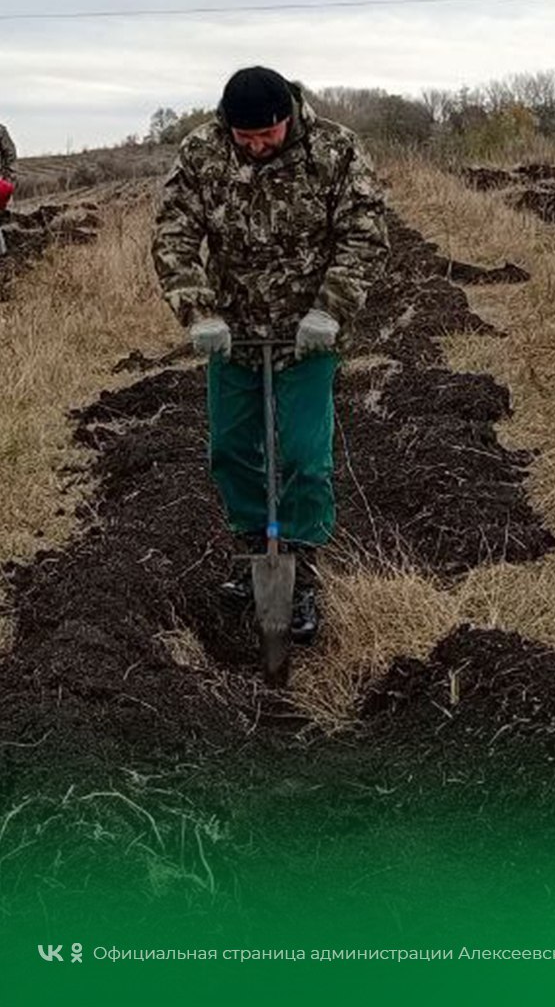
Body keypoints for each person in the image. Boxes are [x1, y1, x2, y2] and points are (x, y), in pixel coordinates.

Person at [152, 66, 389, 642]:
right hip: (232, 335)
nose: (256, 147)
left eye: (267, 135)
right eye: (245, 138)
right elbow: (173, 233)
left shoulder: (335, 151)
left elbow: (364, 232)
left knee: (305, 458)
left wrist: (330, 308)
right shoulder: (202, 153)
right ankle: (257, 552)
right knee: (232, 450)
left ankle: (300, 572)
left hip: (308, 336)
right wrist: (198, 310)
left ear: (289, 116)